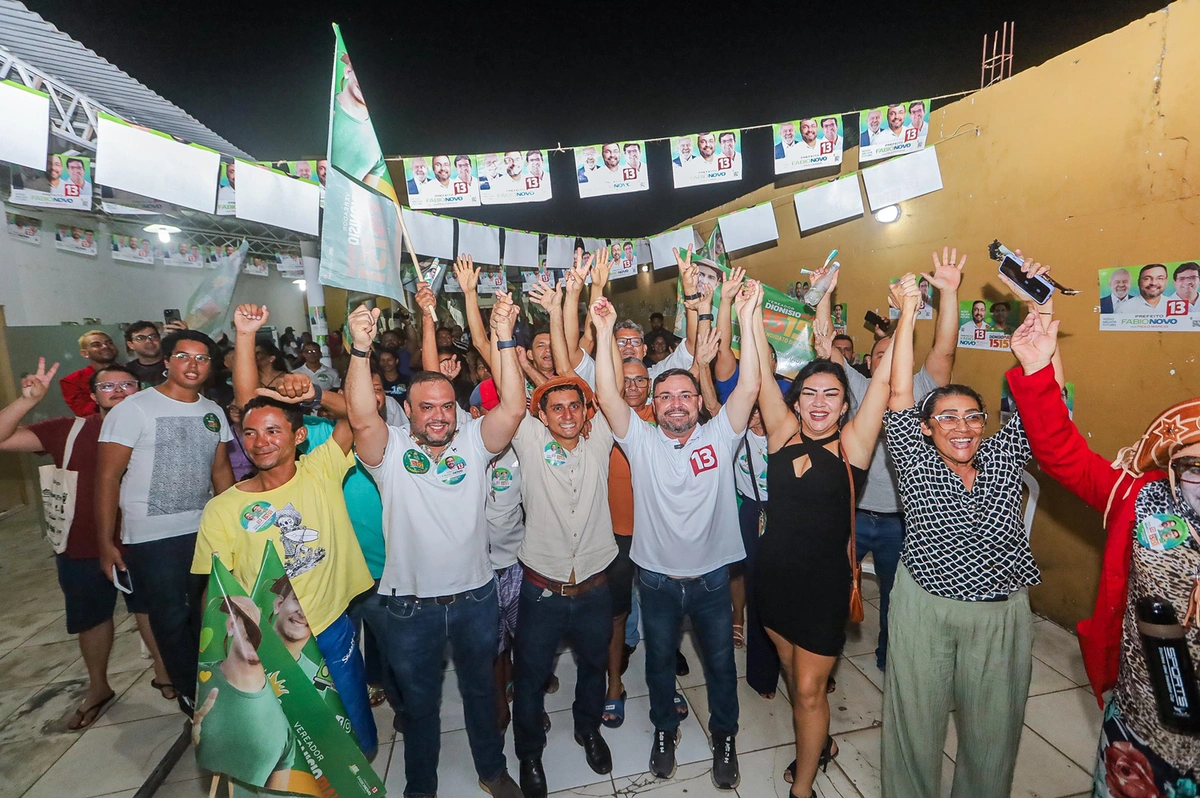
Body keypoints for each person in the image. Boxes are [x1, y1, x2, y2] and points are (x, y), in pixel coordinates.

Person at [1005, 266, 1200, 795]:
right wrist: (1038, 365)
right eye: (1193, 467)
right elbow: (1060, 454)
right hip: (1139, 727)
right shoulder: (1144, 500)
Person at [344, 292, 527, 798]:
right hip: (408, 607)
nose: (441, 416)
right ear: (408, 410)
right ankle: (420, 787)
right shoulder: (390, 450)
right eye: (428, 408)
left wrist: (506, 337)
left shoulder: (473, 441)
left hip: (475, 599)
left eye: (447, 406)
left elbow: (512, 408)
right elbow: (361, 416)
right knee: (420, 706)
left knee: (479, 693)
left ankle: (491, 770)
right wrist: (360, 350)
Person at [593, 276, 761, 789]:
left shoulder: (720, 433)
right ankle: (664, 731)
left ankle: (725, 737)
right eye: (664, 396)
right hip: (658, 582)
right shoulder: (638, 440)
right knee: (659, 665)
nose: (674, 402)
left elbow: (750, 385)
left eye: (684, 394)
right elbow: (605, 391)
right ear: (654, 405)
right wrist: (603, 332)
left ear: (697, 401)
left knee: (720, 669)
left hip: (713, 581)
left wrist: (747, 316)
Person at [880, 264, 1040, 798]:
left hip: (1001, 615)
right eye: (947, 417)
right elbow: (900, 390)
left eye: (972, 416)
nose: (962, 426)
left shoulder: (1002, 455)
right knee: (914, 725)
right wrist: (907, 314)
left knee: (993, 737)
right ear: (926, 428)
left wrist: (1034, 300)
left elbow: (1045, 386)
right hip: (925, 605)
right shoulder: (915, 460)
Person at [755, 272, 901, 798]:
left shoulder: (855, 447)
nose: (819, 402)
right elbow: (758, 369)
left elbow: (883, 382)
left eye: (831, 395)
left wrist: (905, 315)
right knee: (797, 680)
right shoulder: (778, 431)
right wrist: (748, 314)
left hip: (822, 590)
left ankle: (803, 787)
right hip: (772, 583)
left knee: (812, 692)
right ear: (796, 401)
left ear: (845, 405)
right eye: (809, 393)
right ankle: (824, 744)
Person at [191, 386, 378, 756]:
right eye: (250, 432)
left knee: (355, 738)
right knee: (294, 746)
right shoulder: (222, 508)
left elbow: (355, 417)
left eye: (273, 430)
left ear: (299, 435)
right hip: (270, 646)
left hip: (329, 629)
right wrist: (220, 657)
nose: (260, 442)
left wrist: (315, 393)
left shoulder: (320, 470)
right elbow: (217, 593)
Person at [0, 360, 174, 728]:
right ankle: (98, 687)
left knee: (150, 610)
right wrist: (26, 401)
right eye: (109, 387)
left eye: (127, 385)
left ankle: (166, 674)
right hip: (81, 544)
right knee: (91, 619)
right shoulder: (69, 430)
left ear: (140, 390)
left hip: (144, 540)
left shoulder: (158, 428)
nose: (119, 392)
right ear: (93, 396)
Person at [822, 249, 963, 675]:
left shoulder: (924, 385)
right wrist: (825, 293)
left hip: (905, 520)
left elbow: (945, 346)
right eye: (880, 353)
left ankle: (889, 658)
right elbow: (827, 344)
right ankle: (826, 657)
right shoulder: (859, 387)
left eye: (895, 350)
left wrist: (949, 295)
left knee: (895, 596)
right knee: (833, 590)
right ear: (869, 361)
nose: (887, 358)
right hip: (854, 514)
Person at [95, 330, 234, 715]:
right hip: (151, 536)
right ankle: (193, 699)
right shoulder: (133, 409)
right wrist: (105, 541)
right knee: (169, 617)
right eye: (184, 357)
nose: (193, 366)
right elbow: (106, 478)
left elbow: (221, 472)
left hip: (202, 529)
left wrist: (234, 527)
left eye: (202, 359)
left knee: (202, 615)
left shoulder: (213, 412)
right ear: (167, 362)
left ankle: (213, 688)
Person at [509, 374, 617, 798]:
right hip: (541, 592)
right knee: (531, 678)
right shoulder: (530, 443)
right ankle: (530, 754)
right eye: (557, 407)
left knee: (594, 668)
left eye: (575, 405)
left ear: (588, 411)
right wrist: (502, 338)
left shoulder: (599, 440)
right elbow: (514, 399)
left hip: (595, 589)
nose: (568, 414)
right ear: (541, 416)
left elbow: (603, 385)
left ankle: (588, 730)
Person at [192, 595, 294, 790]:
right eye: (250, 625)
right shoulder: (202, 679)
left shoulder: (284, 714)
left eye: (264, 627)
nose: (257, 635)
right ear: (231, 625)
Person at [60, 330, 119, 417]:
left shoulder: (132, 371)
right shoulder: (72, 381)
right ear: (85, 353)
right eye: (96, 345)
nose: (105, 346)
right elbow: (84, 412)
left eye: (109, 343)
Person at [123, 320, 185, 389]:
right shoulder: (127, 371)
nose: (149, 341)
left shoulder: (175, 362)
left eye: (153, 336)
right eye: (140, 338)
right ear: (131, 345)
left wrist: (186, 334)